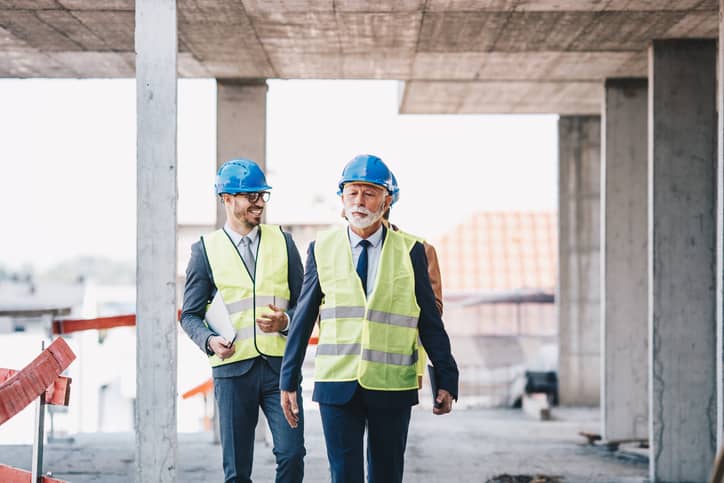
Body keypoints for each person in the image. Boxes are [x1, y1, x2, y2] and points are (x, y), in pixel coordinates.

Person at [279, 154, 459, 483]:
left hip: (391, 385)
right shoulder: (322, 247)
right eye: (352, 192)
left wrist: (446, 377)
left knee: (387, 475)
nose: (359, 201)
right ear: (342, 198)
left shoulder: (411, 250)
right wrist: (288, 380)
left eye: (370, 192)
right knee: (344, 476)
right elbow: (303, 318)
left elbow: (429, 320)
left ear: (386, 200)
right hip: (337, 383)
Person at [180, 159, 305, 483]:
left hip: (280, 370)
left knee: (292, 454)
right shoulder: (205, 250)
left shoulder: (283, 241)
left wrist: (286, 321)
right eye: (251, 196)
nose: (260, 202)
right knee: (237, 471)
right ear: (227, 199)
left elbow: (305, 304)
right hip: (232, 372)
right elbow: (190, 315)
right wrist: (209, 341)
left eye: (263, 195)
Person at [384, 171, 444, 388]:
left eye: (369, 194)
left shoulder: (418, 250)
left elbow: (433, 314)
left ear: (386, 202)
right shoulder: (337, 250)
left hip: (402, 368)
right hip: (344, 373)